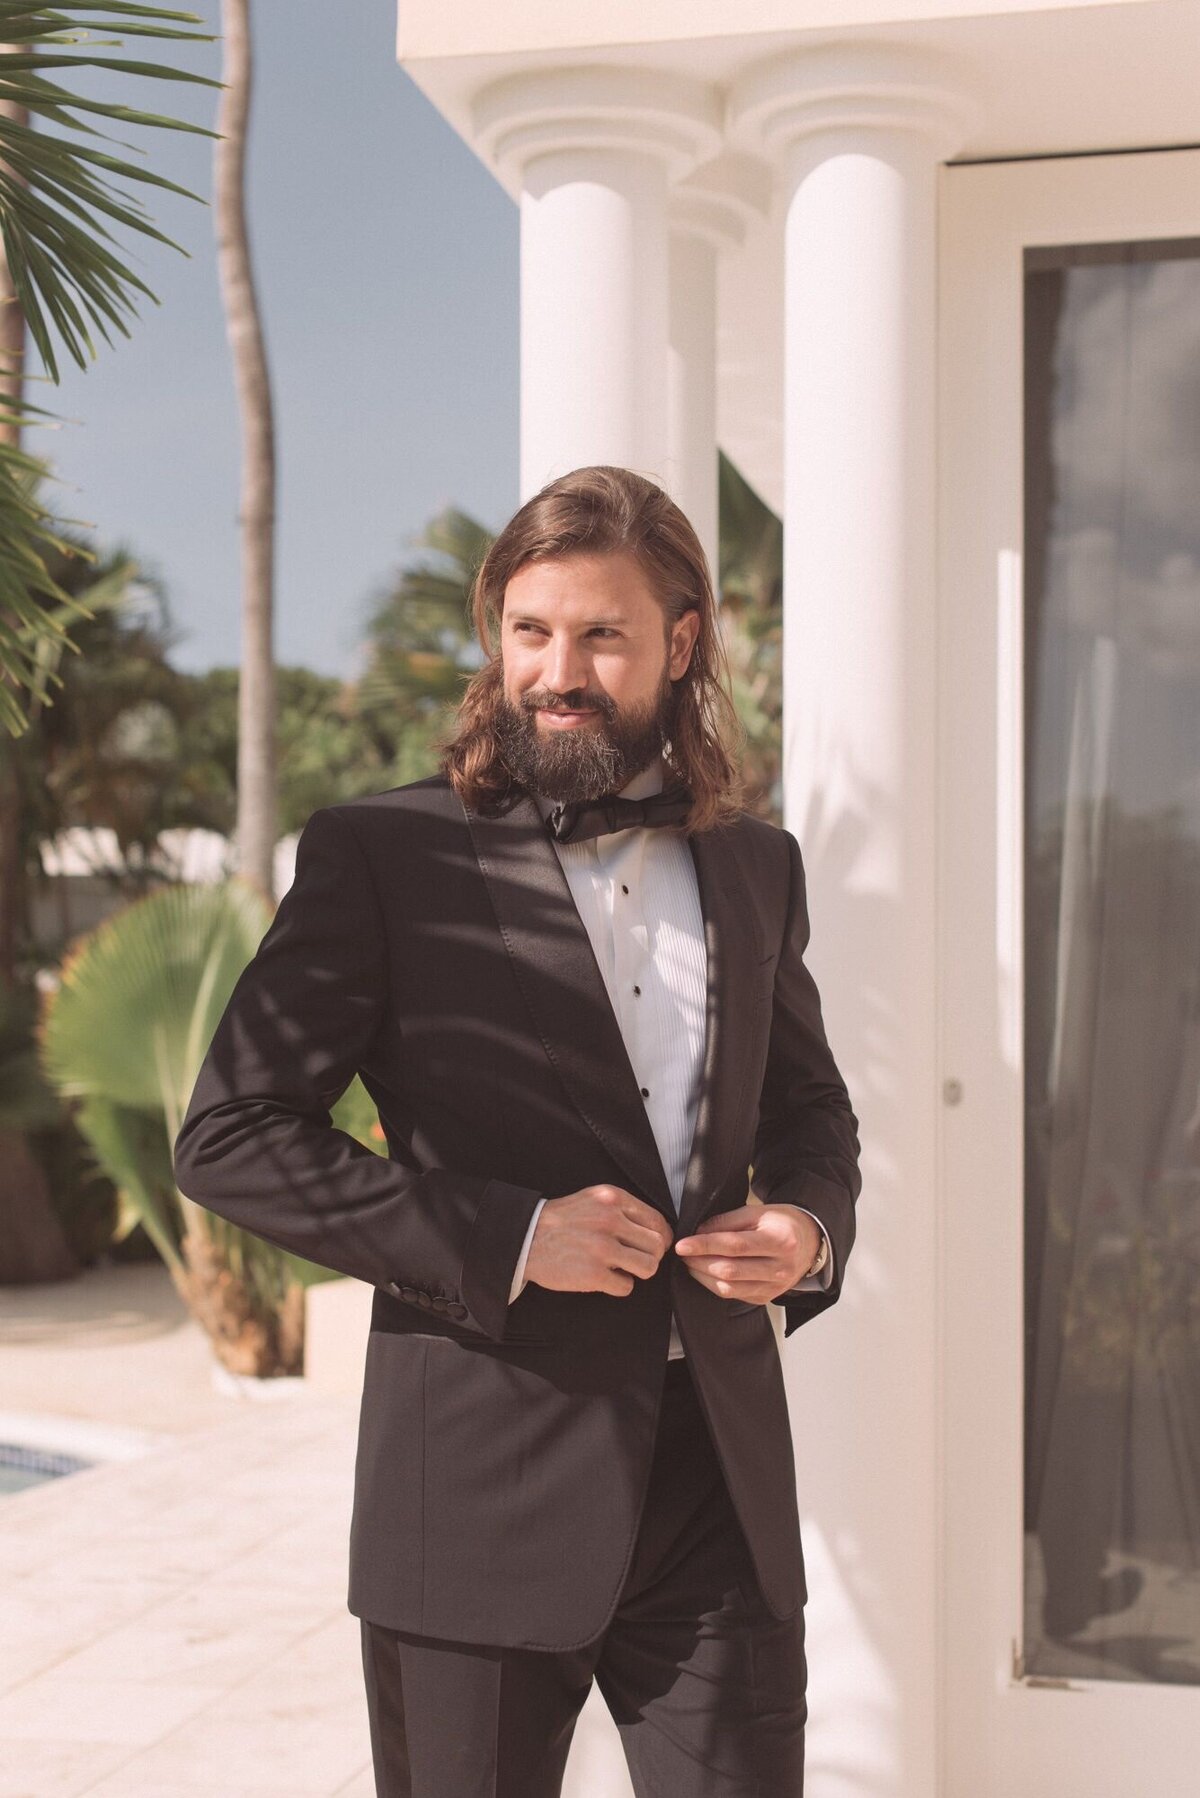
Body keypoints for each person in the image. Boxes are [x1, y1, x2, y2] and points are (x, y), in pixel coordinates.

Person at [173, 464, 861, 1798]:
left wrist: (810, 1222)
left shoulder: (755, 865)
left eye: (602, 634)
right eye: (532, 630)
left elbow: (808, 1106)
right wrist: (510, 1234)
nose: (562, 668)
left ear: (680, 641)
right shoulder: (384, 856)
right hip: (478, 1485)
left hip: (717, 1483)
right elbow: (232, 1132)